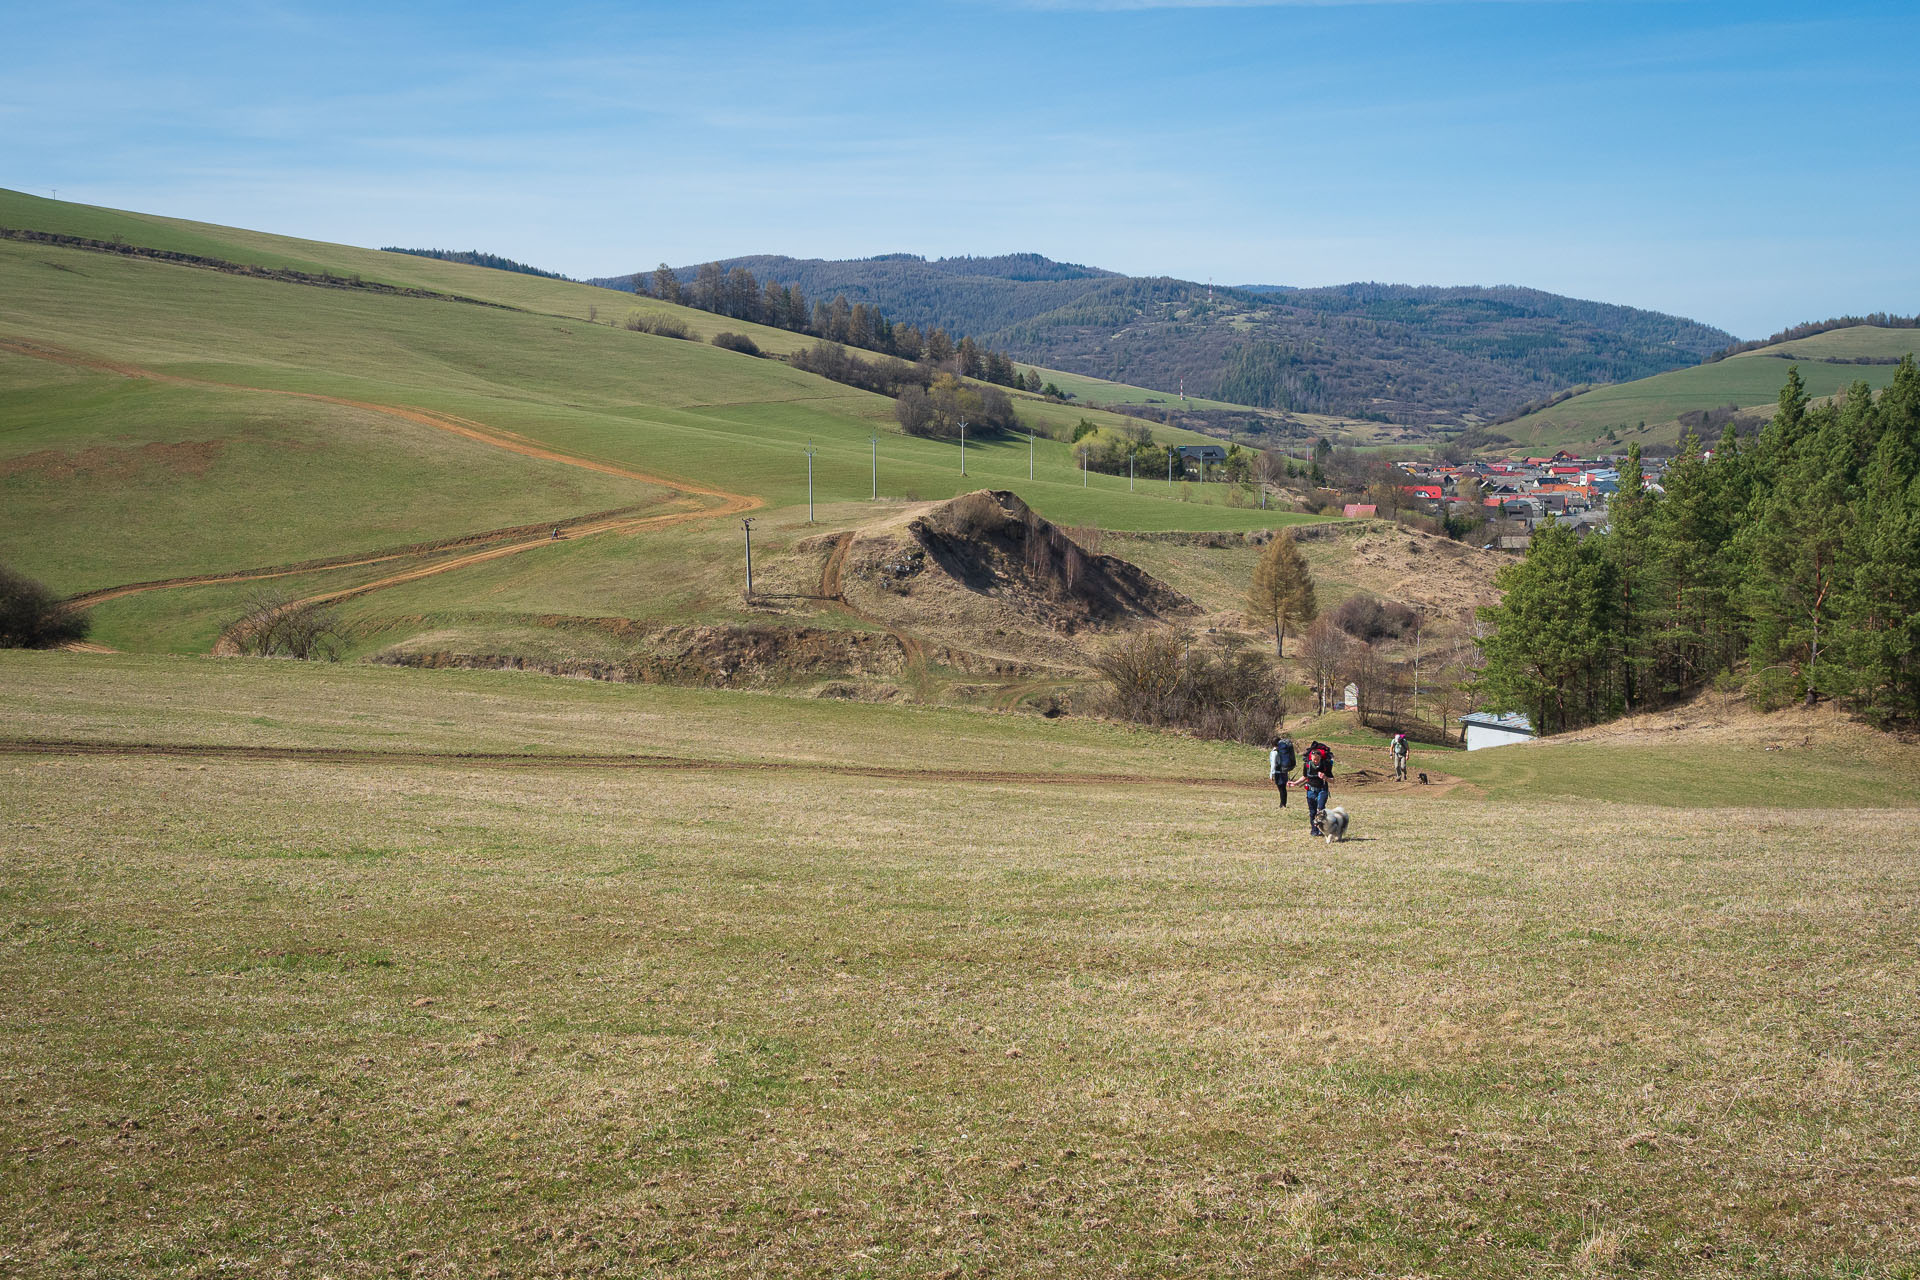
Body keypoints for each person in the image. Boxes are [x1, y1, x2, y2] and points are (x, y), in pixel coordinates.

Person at [1302, 740, 1334, 836]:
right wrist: (1294, 783)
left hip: (1322, 790)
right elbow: (1304, 777)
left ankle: (1321, 829)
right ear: (1311, 758)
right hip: (1311, 790)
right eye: (1314, 760)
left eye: (1317, 759)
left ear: (1320, 758)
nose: (1315, 761)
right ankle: (1314, 830)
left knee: (1320, 810)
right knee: (1312, 811)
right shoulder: (1307, 765)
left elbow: (1332, 780)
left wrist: (1325, 777)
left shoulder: (1325, 766)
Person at [1269, 736, 1296, 807]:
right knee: (1283, 788)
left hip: (1278, 773)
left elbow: (1273, 764)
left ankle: (1282, 804)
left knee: (1281, 788)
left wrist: (1271, 774)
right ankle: (1283, 803)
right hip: (1284, 771)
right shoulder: (1281, 751)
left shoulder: (1274, 752)